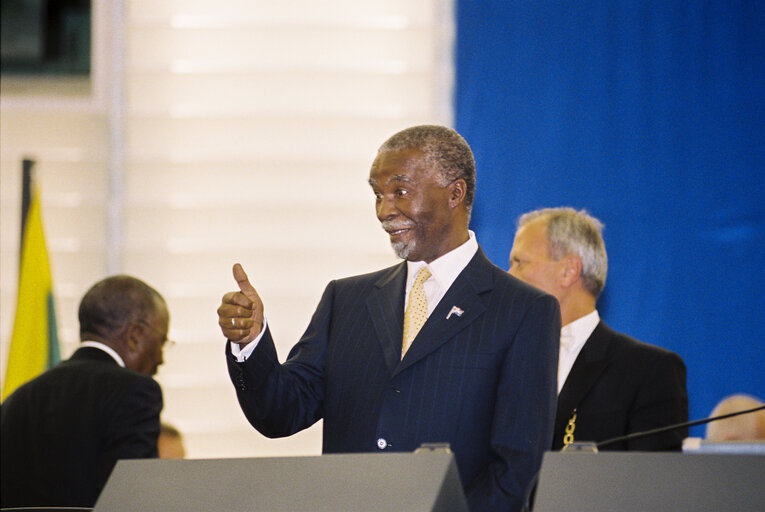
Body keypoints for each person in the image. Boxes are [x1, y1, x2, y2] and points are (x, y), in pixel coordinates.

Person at [217, 125, 560, 512]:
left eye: (400, 191)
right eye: (378, 195)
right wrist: (250, 342)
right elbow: (281, 413)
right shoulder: (346, 300)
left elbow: (518, 467)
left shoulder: (523, 310)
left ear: (455, 193)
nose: (384, 210)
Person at [508, 207, 688, 451]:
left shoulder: (648, 371)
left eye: (519, 263)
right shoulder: (501, 361)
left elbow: (653, 483)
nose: (509, 276)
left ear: (568, 271)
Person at [1, 275, 170, 508]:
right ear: (135, 335)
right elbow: (133, 499)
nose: (161, 358)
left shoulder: (16, 400)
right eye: (161, 342)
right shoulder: (135, 391)